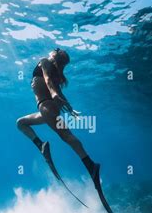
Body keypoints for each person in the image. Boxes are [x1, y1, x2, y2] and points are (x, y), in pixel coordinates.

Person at [16, 48, 100, 185]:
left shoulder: (45, 62)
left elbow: (48, 80)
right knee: (20, 123)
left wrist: (54, 95)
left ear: (54, 55)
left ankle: (91, 166)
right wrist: (70, 108)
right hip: (48, 109)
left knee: (66, 135)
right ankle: (41, 145)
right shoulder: (56, 73)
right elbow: (57, 89)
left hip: (46, 106)